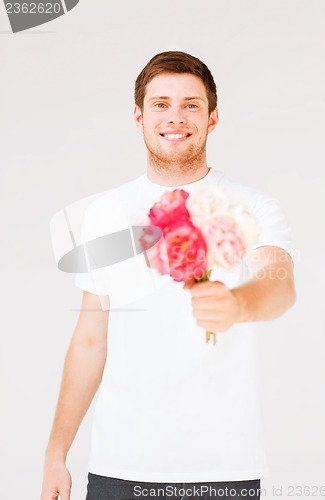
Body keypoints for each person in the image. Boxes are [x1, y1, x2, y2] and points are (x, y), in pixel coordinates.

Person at [41, 51, 296, 500]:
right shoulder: (104, 213)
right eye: (160, 104)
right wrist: (56, 454)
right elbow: (89, 339)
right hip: (118, 468)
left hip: (223, 472)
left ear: (212, 118)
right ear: (138, 117)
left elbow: (278, 286)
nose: (175, 117)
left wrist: (238, 304)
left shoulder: (252, 205)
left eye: (191, 105)